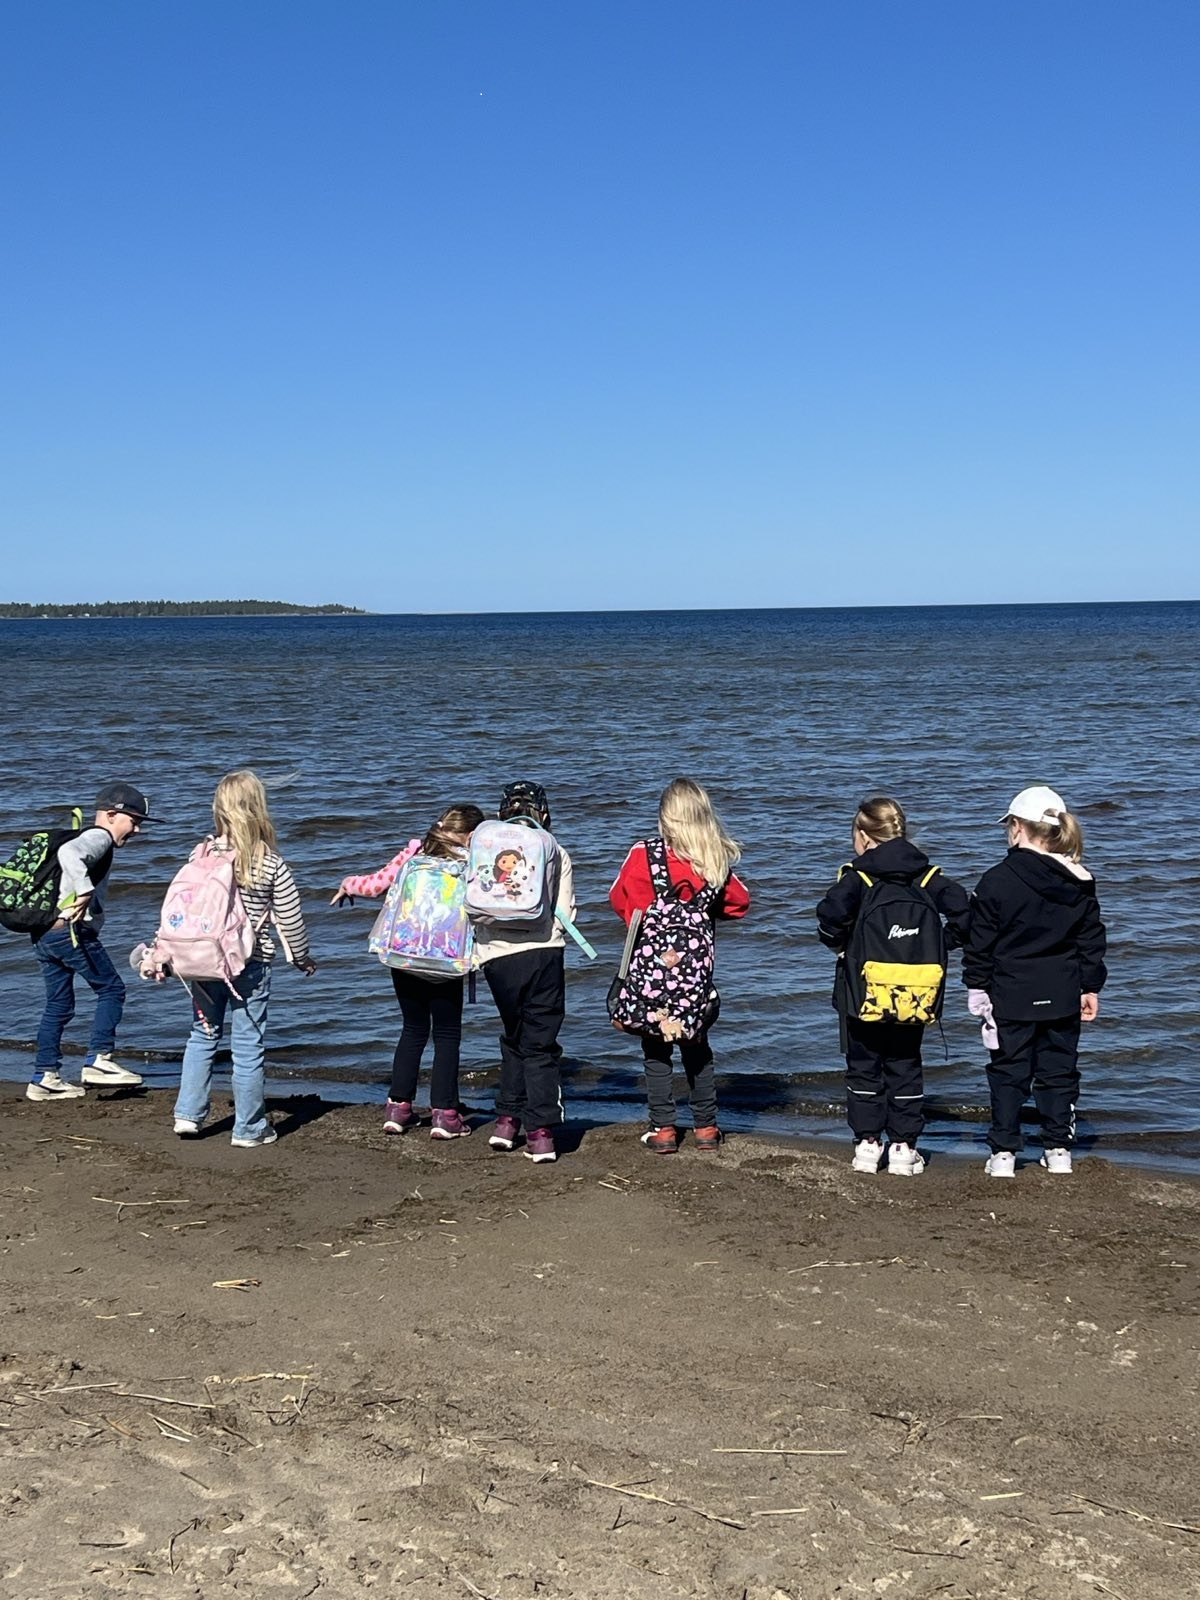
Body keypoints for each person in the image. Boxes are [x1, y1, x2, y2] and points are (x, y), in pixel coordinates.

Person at [816, 796, 969, 1176]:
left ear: (864, 837)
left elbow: (828, 919)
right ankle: (903, 1147)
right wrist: (941, 945)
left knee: (863, 1063)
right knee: (905, 1063)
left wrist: (842, 946)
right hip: (915, 991)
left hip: (862, 989)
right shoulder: (927, 876)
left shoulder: (858, 877)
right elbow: (967, 914)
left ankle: (868, 1145)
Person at [963, 785, 1107, 1178]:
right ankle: (1059, 1149)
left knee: (1009, 1072)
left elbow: (980, 943)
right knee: (1059, 1071)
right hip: (1062, 990)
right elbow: (1091, 939)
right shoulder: (1078, 878)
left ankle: (1004, 1154)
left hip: (1011, 992)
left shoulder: (997, 879)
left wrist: (976, 988)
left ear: (1016, 827)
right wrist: (1090, 986)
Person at [172, 770, 316, 1147]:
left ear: (219, 809)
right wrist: (301, 958)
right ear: (259, 809)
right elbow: (290, 918)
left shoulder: (200, 853)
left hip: (202, 959)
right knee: (248, 1043)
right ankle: (249, 1127)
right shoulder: (269, 863)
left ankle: (188, 1114)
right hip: (249, 962)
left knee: (201, 1035)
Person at [609, 777, 749, 1152]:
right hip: (694, 980)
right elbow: (740, 903)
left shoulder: (643, 853)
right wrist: (703, 908)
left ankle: (664, 1129)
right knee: (697, 1045)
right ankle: (706, 1128)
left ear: (665, 819)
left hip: (651, 974)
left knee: (655, 1049)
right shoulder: (713, 859)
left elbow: (619, 898)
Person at [332, 804, 485, 1139]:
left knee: (413, 1029)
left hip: (404, 954)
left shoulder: (414, 850)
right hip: (446, 959)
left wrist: (347, 883)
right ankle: (445, 1114)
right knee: (446, 1035)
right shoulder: (474, 860)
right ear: (472, 835)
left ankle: (398, 1108)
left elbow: (376, 885)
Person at [26, 782, 156, 1101]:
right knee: (111, 989)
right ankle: (100, 1060)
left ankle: (44, 1078)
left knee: (58, 1004)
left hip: (45, 933)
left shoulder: (89, 836)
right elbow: (68, 853)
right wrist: (84, 890)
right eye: (133, 821)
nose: (137, 830)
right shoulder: (99, 837)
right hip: (70, 931)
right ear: (111, 815)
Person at [476, 781, 575, 1164]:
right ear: (545, 815)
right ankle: (541, 1132)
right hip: (543, 952)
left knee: (514, 1035)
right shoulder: (555, 850)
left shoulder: (486, 844)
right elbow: (566, 912)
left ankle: (506, 1121)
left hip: (495, 957)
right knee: (541, 1043)